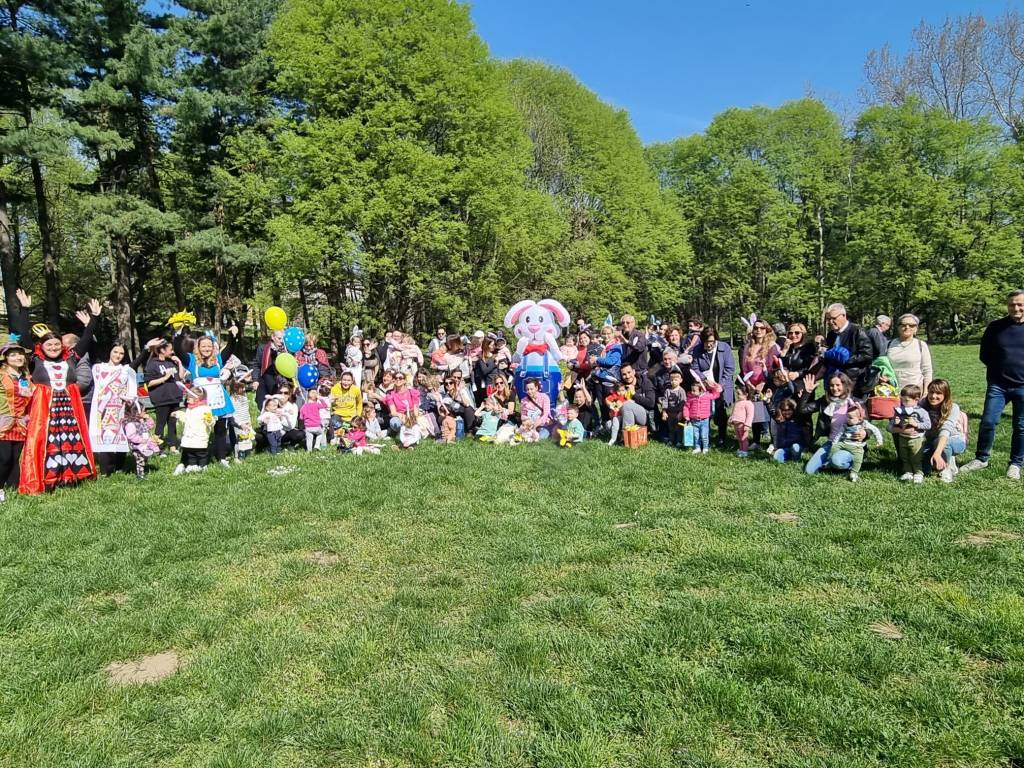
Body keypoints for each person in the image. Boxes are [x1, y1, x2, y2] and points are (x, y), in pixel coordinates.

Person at [13, 290, 101, 495]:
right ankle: (49, 478)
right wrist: (25, 309)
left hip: (68, 410)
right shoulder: (35, 360)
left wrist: (94, 319)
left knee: (70, 439)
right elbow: (24, 337)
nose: (53, 347)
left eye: (56, 344)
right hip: (45, 410)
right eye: (48, 344)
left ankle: (71, 475)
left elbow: (87, 339)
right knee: (47, 441)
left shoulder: (70, 358)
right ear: (41, 346)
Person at [961, 290, 1024, 480]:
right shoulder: (996, 327)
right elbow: (984, 355)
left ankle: (1015, 463)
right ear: (1007, 305)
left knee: (1021, 426)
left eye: (1020, 304)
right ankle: (981, 458)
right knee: (988, 421)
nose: (1016, 308)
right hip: (998, 385)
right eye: (1012, 304)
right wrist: (999, 370)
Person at [179, 324, 239, 467]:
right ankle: (186, 461)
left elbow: (230, 349)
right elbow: (178, 350)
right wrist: (179, 333)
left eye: (209, 346)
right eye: (203, 346)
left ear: (213, 348)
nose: (206, 349)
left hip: (218, 399)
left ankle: (222, 457)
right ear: (198, 347)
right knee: (194, 430)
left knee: (220, 430)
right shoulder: (191, 361)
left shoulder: (218, 359)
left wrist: (233, 335)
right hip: (200, 400)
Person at [802, 372, 881, 475]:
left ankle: (852, 462)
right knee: (809, 470)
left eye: (838, 385)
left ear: (845, 385)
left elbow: (868, 424)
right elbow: (803, 410)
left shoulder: (857, 403)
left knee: (837, 461)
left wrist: (865, 433)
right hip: (832, 443)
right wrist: (807, 392)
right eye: (831, 385)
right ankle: (832, 462)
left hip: (851, 444)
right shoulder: (826, 401)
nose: (834, 388)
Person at [89, 343, 138, 477]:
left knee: (120, 436)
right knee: (104, 437)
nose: (118, 356)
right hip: (101, 409)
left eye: (121, 353)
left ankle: (119, 467)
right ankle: (105, 472)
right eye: (115, 352)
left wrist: (129, 400)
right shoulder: (98, 368)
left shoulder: (126, 370)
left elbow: (132, 389)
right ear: (109, 351)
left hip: (120, 408)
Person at [0, 339, 33, 501]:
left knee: (14, 459)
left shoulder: (26, 378)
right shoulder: (1, 374)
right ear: (6, 358)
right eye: (13, 355)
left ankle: (13, 490)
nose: (18, 357)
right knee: (4, 458)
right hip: (2, 422)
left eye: (20, 354)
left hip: (20, 423)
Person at [817, 303, 874, 395]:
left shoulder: (857, 331)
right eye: (828, 319)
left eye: (833, 318)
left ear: (844, 316)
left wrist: (845, 360)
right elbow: (828, 357)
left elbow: (867, 355)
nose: (830, 322)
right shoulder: (831, 335)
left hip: (853, 381)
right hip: (833, 382)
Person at [693, 328, 735, 444]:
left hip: (721, 385)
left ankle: (722, 436)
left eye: (711, 341)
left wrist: (720, 384)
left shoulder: (724, 348)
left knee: (720, 411)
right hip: (705, 386)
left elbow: (730, 368)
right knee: (705, 411)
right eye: (706, 342)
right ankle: (705, 436)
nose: (709, 344)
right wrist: (705, 380)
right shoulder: (698, 349)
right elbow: (695, 367)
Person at [921, 379, 967, 483]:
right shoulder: (923, 404)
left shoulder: (953, 407)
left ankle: (948, 469)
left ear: (945, 395)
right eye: (931, 392)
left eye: (938, 393)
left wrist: (937, 452)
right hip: (932, 441)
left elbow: (945, 431)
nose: (933, 396)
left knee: (941, 443)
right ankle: (944, 459)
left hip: (954, 440)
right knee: (924, 466)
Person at [144, 339, 182, 455]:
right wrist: (164, 378)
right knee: (160, 424)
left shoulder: (171, 362)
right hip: (162, 399)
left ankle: (173, 447)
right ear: (162, 350)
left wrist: (179, 363)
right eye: (170, 349)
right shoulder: (152, 364)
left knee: (172, 423)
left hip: (174, 397)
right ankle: (155, 447)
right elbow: (148, 383)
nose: (172, 352)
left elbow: (180, 377)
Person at [889, 384, 932, 483]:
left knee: (916, 457)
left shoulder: (921, 412)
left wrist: (916, 424)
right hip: (902, 438)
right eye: (902, 400)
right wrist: (896, 423)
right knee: (904, 456)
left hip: (916, 439)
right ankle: (908, 472)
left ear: (916, 400)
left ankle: (918, 473)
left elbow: (928, 425)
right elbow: (890, 427)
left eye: (907, 401)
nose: (904, 403)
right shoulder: (900, 410)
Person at [830, 403, 882, 482]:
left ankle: (854, 472)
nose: (848, 419)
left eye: (850, 418)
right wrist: (835, 442)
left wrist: (879, 441)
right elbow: (839, 434)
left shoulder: (864, 424)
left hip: (857, 446)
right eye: (847, 416)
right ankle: (828, 461)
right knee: (833, 448)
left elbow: (875, 430)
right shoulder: (845, 425)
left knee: (858, 458)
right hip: (844, 443)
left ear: (860, 419)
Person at [607, 363, 654, 445]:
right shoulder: (622, 386)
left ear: (633, 372)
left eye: (629, 372)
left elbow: (651, 403)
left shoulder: (645, 382)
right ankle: (632, 433)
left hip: (644, 416)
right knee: (609, 425)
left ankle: (624, 438)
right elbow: (612, 399)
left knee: (627, 404)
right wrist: (613, 407)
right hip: (627, 416)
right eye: (624, 374)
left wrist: (634, 394)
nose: (627, 376)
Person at [172, 385, 214, 474]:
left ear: (197, 398)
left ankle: (203, 466)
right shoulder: (189, 409)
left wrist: (209, 420)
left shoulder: (204, 408)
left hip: (199, 435)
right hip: (189, 435)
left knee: (201, 452)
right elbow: (186, 419)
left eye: (189, 398)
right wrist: (179, 414)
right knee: (190, 451)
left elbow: (210, 420)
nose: (187, 399)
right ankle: (192, 465)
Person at [886, 313, 933, 391]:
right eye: (903, 324)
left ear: (916, 329)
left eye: (911, 325)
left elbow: (927, 370)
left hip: (914, 391)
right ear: (898, 327)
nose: (907, 327)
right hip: (892, 390)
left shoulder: (921, 345)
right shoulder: (889, 344)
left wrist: (926, 391)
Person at [683, 375, 722, 454]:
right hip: (694, 420)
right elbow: (686, 407)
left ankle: (705, 448)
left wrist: (714, 385)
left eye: (694, 390)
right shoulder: (690, 397)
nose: (692, 392)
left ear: (701, 390)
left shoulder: (707, 396)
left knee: (704, 435)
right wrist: (686, 415)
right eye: (692, 390)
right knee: (696, 435)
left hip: (704, 420)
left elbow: (716, 394)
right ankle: (697, 447)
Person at [123, 403, 160, 479]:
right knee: (140, 460)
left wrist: (148, 418)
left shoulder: (141, 421)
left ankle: (140, 469)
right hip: (137, 446)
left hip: (144, 444)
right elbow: (131, 436)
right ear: (136, 412)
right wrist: (142, 440)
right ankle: (140, 475)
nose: (145, 412)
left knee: (144, 458)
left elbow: (150, 425)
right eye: (143, 411)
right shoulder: (131, 424)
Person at [252, 329, 284, 410]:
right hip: (264, 382)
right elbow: (257, 365)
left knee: (277, 408)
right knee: (263, 407)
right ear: (273, 337)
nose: (281, 341)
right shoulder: (263, 349)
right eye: (279, 338)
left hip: (279, 383)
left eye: (283, 339)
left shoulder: (285, 351)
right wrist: (255, 380)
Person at [329, 371, 362, 442]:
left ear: (352, 381)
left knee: (359, 426)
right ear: (341, 380)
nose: (346, 382)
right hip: (338, 417)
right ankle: (340, 434)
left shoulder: (356, 389)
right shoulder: (335, 388)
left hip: (351, 418)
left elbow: (359, 403)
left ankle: (344, 432)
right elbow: (329, 404)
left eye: (348, 380)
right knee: (332, 421)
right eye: (344, 380)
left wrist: (358, 416)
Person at [767, 398, 803, 463]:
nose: (786, 412)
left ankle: (796, 458)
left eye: (789, 410)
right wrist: (768, 402)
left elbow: (802, 409)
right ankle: (788, 456)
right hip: (784, 448)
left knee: (795, 447)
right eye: (784, 410)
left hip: (795, 445)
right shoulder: (780, 420)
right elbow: (772, 411)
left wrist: (802, 398)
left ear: (793, 409)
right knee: (776, 458)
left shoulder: (798, 418)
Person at [658, 367, 686, 447]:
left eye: (676, 380)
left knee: (679, 428)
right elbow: (665, 401)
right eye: (671, 380)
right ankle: (671, 440)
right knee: (670, 428)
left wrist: (681, 412)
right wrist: (664, 411)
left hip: (678, 413)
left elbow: (683, 402)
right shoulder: (668, 391)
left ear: (680, 380)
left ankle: (679, 441)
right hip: (670, 413)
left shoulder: (681, 391)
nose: (673, 382)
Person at [729, 386, 754, 457]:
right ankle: (741, 449)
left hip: (743, 425)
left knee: (744, 439)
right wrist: (730, 419)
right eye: (736, 393)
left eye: (738, 393)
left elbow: (750, 415)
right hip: (736, 425)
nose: (737, 395)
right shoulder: (737, 402)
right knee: (739, 438)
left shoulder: (748, 403)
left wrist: (747, 425)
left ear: (746, 394)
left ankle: (745, 451)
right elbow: (733, 412)